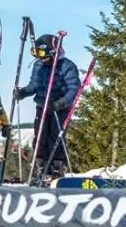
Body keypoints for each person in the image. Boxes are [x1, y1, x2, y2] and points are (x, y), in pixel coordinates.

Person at [15, 34, 81, 182]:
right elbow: (34, 85)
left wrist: (60, 103)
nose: (40, 58)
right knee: (40, 136)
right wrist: (24, 92)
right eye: (37, 54)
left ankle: (57, 167)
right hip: (42, 106)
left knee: (55, 136)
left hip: (60, 107)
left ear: (53, 52)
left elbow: (74, 89)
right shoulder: (39, 65)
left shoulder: (67, 66)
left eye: (43, 54)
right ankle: (40, 166)